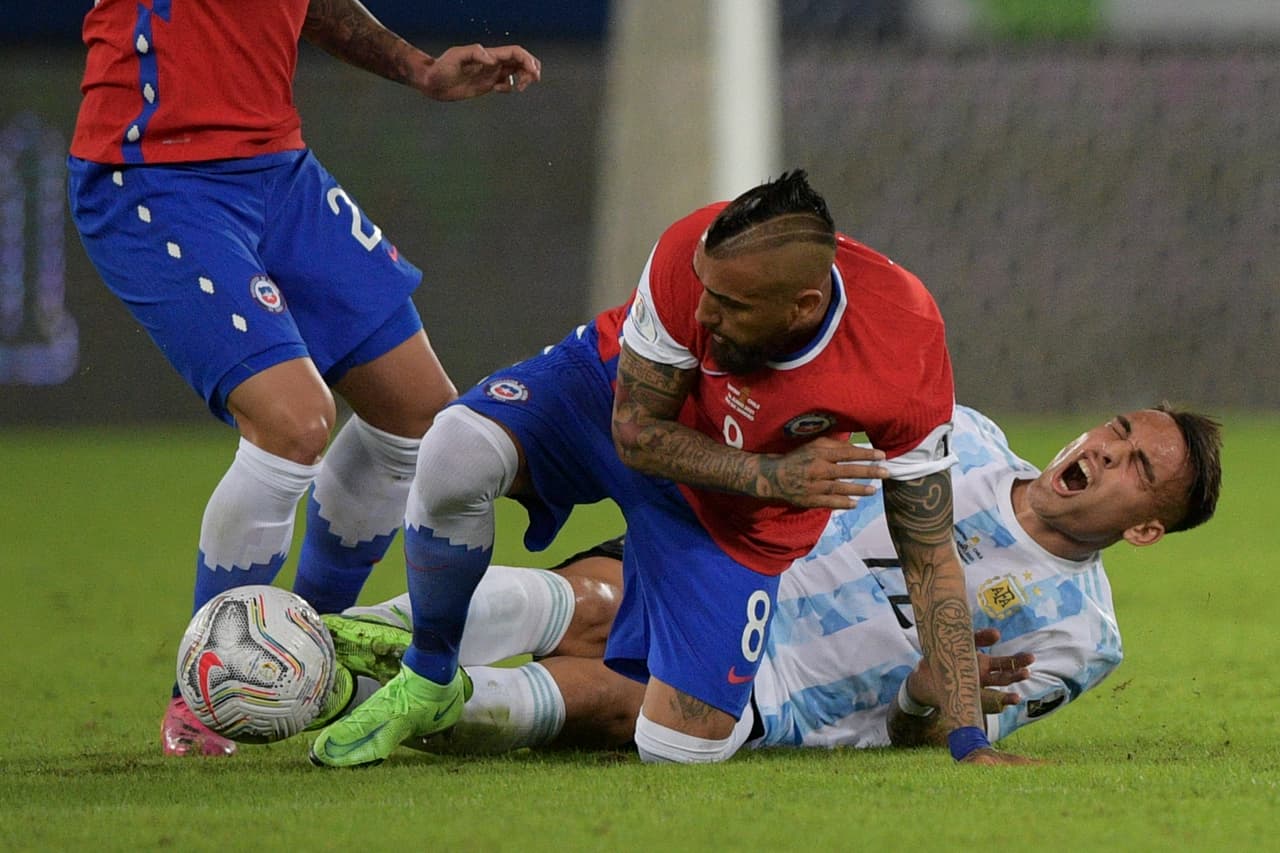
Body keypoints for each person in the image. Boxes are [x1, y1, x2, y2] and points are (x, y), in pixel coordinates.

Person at [310, 170, 1027, 767]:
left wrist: (967, 736)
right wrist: (772, 474)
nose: (704, 313)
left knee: (679, 747)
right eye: (703, 288)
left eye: (731, 305)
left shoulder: (903, 345)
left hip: (731, 522)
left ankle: (465, 693)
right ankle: (428, 669)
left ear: (802, 306)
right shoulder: (692, 250)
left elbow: (929, 555)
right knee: (454, 451)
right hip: (621, 405)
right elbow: (636, 432)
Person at [66, 0, 541, 757]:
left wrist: (419, 67)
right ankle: (203, 696)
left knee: (420, 416)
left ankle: (293, 658)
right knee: (292, 421)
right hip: (154, 172)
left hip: (278, 173)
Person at [325, 402, 1222, 755]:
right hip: (729, 574)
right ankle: (321, 645)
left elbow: (930, 730)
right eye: (1117, 429)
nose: (1106, 451)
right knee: (595, 601)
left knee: (598, 693)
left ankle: (371, 693)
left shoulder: (1080, 635)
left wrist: (925, 693)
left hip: (786, 690)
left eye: (1138, 466)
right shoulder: (962, 436)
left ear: (1145, 528)